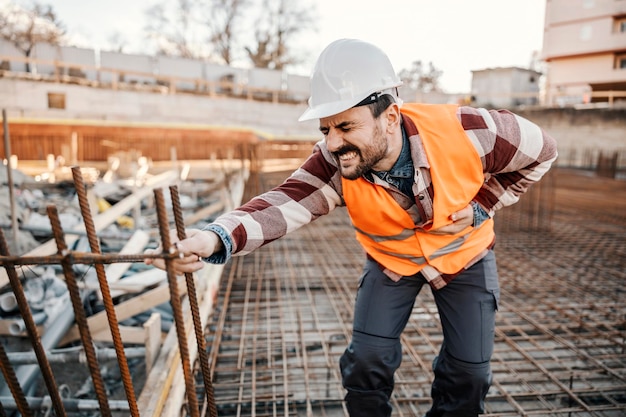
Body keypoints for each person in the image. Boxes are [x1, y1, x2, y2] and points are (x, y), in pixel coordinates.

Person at [146, 38, 558, 417]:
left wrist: (485, 202)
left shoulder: (471, 131)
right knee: (367, 360)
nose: (332, 142)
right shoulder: (335, 163)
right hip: (392, 262)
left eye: (346, 127)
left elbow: (544, 151)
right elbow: (283, 202)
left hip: (464, 257)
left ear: (390, 115)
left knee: (469, 374)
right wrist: (214, 237)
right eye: (325, 128)